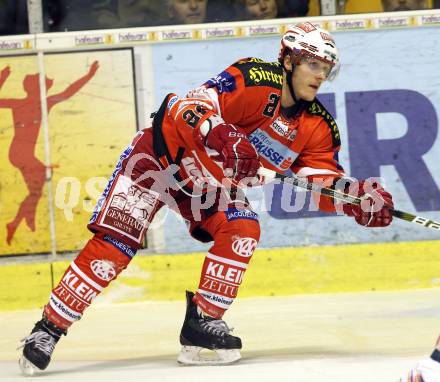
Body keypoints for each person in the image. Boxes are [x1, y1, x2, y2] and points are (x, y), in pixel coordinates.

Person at [18, 22, 394, 375]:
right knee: (115, 246)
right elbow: (188, 104)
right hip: (159, 157)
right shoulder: (254, 77)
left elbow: (321, 183)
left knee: (243, 228)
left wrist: (356, 198)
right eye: (312, 64)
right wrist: (221, 133)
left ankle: (202, 323)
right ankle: (48, 328)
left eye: (325, 67)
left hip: (207, 183)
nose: (319, 75)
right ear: (288, 60)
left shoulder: (316, 125)